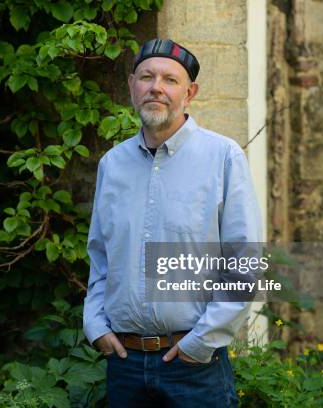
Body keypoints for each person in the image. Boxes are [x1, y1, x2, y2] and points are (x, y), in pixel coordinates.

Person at [82, 38, 263, 407]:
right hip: (125, 364)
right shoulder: (112, 165)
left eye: (170, 79)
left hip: (195, 368)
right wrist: (95, 325)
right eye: (146, 77)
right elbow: (101, 258)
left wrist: (201, 342)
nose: (156, 88)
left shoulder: (223, 158)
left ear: (189, 92)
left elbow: (245, 263)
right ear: (132, 86)